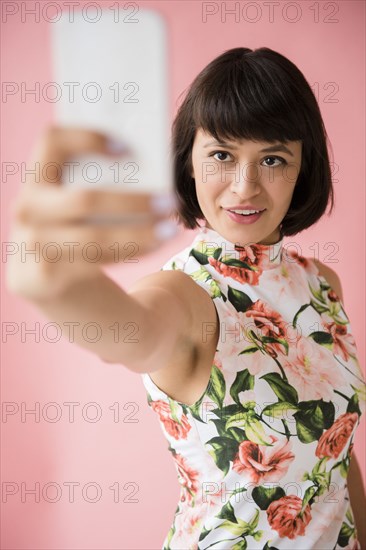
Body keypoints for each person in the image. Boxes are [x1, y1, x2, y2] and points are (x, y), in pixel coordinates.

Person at [6, 47, 366, 549]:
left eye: (272, 158)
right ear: (189, 161)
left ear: (303, 167)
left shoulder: (322, 284)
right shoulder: (184, 294)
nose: (246, 186)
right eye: (221, 154)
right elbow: (130, 333)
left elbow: (338, 452)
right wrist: (51, 277)